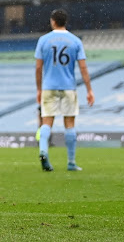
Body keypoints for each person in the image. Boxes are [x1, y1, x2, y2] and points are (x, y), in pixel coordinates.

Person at [35, 9, 95, 172]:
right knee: (69, 124)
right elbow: (83, 67)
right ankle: (71, 162)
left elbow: (38, 68)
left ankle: (43, 151)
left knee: (47, 122)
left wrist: (39, 89)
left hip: (49, 86)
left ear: (53, 21)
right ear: (65, 22)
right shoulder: (75, 41)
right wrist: (89, 90)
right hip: (69, 87)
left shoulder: (43, 40)